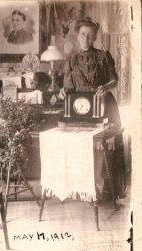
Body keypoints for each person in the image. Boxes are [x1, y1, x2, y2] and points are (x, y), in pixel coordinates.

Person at [61, 17, 126, 199]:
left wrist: (105, 87)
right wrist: (63, 92)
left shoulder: (104, 56)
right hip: (80, 108)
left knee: (101, 147)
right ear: (77, 35)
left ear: (95, 37)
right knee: (82, 147)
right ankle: (83, 189)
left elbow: (115, 80)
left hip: (104, 105)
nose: (86, 38)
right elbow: (68, 86)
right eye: (83, 34)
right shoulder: (72, 60)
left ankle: (104, 191)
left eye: (90, 35)